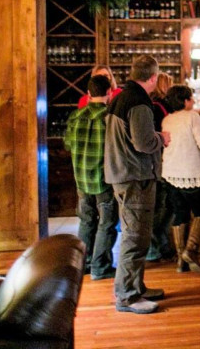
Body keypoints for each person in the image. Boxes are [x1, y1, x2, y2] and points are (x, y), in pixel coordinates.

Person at [105, 54, 170, 314]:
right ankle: (127, 296)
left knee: (136, 234)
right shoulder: (140, 102)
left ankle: (136, 286)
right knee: (135, 237)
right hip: (135, 175)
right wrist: (161, 138)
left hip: (121, 173)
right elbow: (143, 143)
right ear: (153, 77)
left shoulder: (120, 96)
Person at [64, 74, 118, 281]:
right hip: (103, 180)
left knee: (86, 221)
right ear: (109, 93)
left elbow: (68, 145)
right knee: (106, 224)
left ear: (88, 94)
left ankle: (83, 264)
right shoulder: (109, 118)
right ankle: (100, 267)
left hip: (81, 180)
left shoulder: (75, 116)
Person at [161, 85, 200, 273]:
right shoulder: (192, 116)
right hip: (190, 173)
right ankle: (190, 251)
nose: (193, 102)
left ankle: (180, 259)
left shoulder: (167, 119)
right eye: (191, 99)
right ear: (185, 101)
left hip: (170, 173)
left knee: (180, 213)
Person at [147, 72, 176, 263]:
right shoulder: (161, 107)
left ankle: (160, 246)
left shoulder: (150, 105)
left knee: (162, 206)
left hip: (155, 161)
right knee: (163, 206)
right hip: (162, 161)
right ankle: (157, 246)